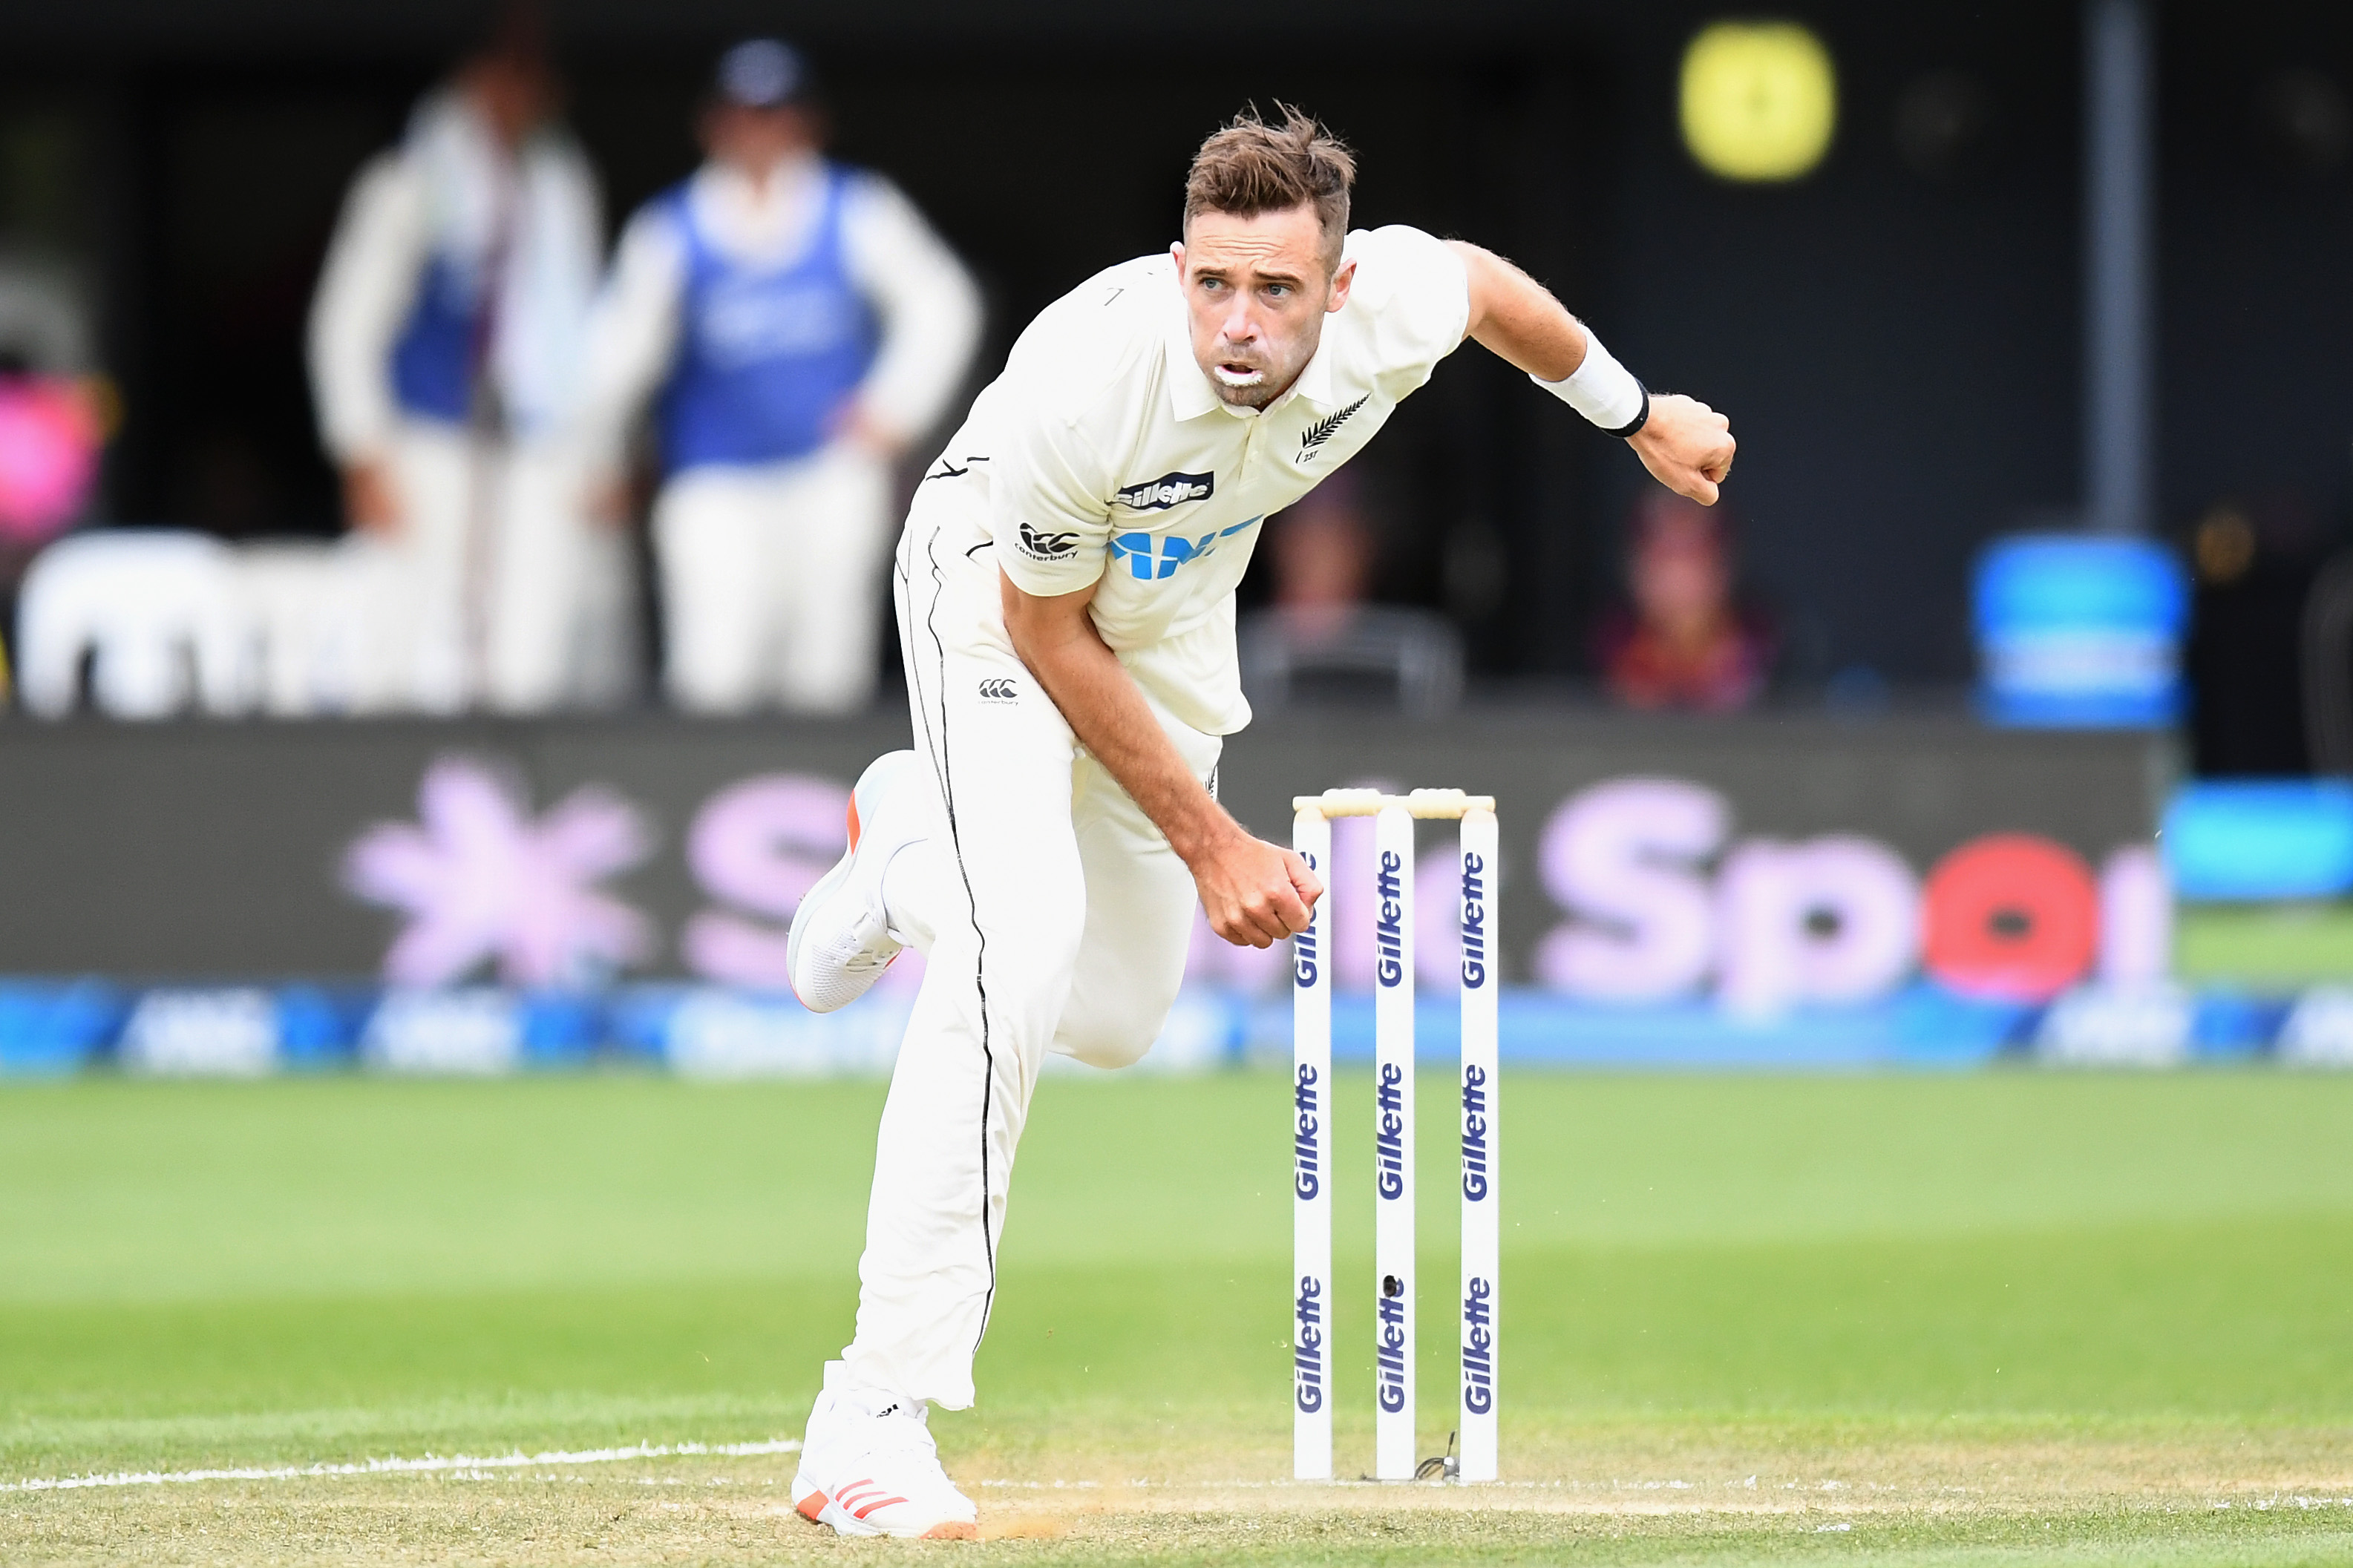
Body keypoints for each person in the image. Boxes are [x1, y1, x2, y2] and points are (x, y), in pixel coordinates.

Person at [777, 108, 1734, 1538]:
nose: (1237, 322)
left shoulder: (1392, 304)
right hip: (998, 598)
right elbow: (1045, 630)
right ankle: (871, 1411)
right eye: (1213, 282)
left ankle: (907, 850)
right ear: (1180, 268)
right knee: (1016, 947)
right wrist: (1213, 843)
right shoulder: (1085, 380)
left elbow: (1484, 288)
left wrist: (1636, 413)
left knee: (1113, 1015)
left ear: (1338, 289)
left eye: (1275, 289)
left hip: (1167, 611)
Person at [575, 39, 982, 716]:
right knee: (713, 668)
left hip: (829, 472)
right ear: (714, 125)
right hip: (715, 480)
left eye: (776, 114)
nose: (761, 132)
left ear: (807, 123)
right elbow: (613, 360)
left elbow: (944, 303)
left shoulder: (856, 208)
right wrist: (602, 461)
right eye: (745, 115)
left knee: (830, 667)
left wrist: (892, 411)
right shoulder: (672, 230)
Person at [307, 16, 615, 715]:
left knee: (531, 634)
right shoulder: (409, 182)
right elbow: (345, 326)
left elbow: (590, 326)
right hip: (428, 437)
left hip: (538, 438)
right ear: (474, 76)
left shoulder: (564, 183)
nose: (527, 92)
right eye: (511, 73)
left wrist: (600, 450)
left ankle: (516, 773)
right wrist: (362, 451)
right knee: (410, 630)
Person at [1594, 491, 1773, 711]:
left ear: (1724, 565)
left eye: (1694, 557)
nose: (1677, 577)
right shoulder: (1604, 654)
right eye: (1662, 558)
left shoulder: (1767, 654)